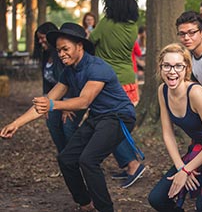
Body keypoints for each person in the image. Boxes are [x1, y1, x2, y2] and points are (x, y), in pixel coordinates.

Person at [1, 22, 136, 212]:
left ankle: (105, 208)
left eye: (66, 49)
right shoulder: (68, 71)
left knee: (88, 160)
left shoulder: (97, 67)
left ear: (79, 46)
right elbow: (48, 99)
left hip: (119, 116)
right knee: (66, 158)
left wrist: (53, 105)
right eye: (59, 50)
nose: (61, 54)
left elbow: (84, 101)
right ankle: (85, 203)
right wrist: (16, 124)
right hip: (98, 116)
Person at [148, 43, 202, 211]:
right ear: (160, 67)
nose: (172, 71)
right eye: (167, 66)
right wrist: (181, 168)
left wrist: (187, 170)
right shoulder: (163, 91)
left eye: (178, 66)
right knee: (157, 198)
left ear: (186, 68)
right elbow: (168, 134)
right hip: (199, 148)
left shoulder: (195, 93)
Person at [89, 0, 145, 188]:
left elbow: (90, 41)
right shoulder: (133, 27)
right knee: (118, 124)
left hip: (108, 80)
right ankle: (128, 162)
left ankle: (133, 164)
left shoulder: (106, 23)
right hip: (129, 80)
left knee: (110, 126)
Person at [32, 22, 85, 161]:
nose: (40, 41)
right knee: (52, 122)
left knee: (68, 125)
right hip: (55, 99)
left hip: (74, 97)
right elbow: (47, 83)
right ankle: (65, 156)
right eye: (38, 38)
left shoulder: (63, 56)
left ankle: (77, 157)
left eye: (42, 37)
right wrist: (45, 103)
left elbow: (71, 82)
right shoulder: (45, 56)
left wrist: (67, 105)